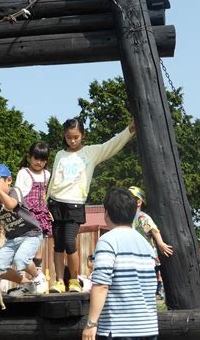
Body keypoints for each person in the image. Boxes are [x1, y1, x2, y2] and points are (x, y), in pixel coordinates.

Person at [47, 117, 135, 293]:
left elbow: (110, 145)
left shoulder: (90, 152)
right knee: (58, 244)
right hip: (56, 202)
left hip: (75, 204)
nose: (72, 141)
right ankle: (58, 280)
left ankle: (73, 279)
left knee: (70, 242)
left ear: (83, 135)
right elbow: (53, 181)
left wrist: (129, 130)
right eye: (68, 137)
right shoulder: (60, 155)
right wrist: (45, 204)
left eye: (76, 137)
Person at [82, 186, 158, 340]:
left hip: (118, 328)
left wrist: (91, 323)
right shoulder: (145, 244)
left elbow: (101, 285)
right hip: (148, 327)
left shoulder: (108, 241)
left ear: (107, 213)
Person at [0, 163, 47, 296]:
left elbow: (10, 205)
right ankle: (27, 284)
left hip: (31, 234)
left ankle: (38, 277)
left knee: (20, 260)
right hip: (13, 238)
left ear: (8, 180)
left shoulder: (15, 191)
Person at [128, 186, 173, 298]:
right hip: (137, 255)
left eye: (129, 198)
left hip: (147, 256)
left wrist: (161, 243)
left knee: (147, 283)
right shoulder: (130, 218)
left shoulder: (142, 217)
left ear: (138, 202)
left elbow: (153, 230)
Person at [15, 142, 52, 274]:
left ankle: (37, 274)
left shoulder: (47, 174)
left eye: (42, 159)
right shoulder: (24, 173)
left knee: (38, 246)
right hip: (26, 214)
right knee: (25, 247)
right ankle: (25, 278)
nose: (39, 162)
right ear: (29, 157)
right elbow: (17, 193)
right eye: (36, 158)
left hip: (41, 214)